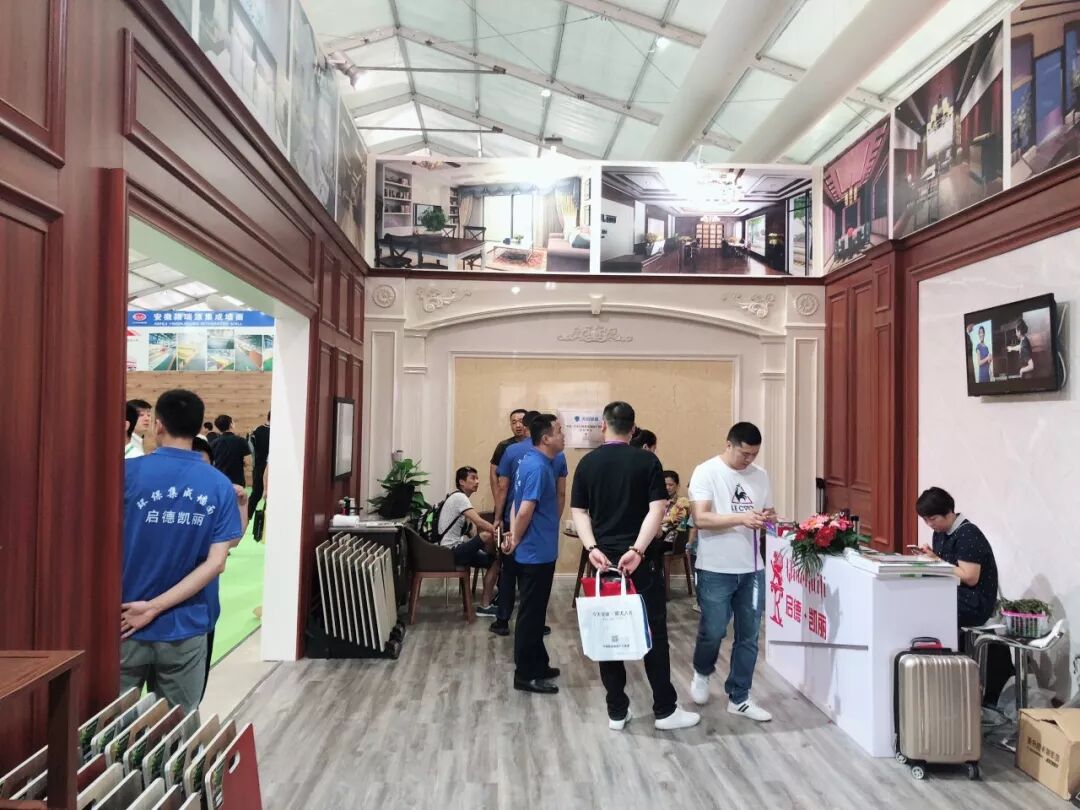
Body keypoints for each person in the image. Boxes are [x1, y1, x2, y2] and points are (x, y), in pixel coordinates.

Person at [571, 401, 700, 731]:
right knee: (654, 633)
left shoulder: (587, 463)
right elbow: (657, 509)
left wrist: (592, 547)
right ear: (633, 428)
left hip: (603, 562)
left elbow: (579, 512)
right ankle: (665, 710)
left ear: (603, 426)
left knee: (607, 632)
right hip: (641, 563)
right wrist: (638, 550)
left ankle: (617, 711)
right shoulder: (647, 461)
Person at [121, 390, 243, 713]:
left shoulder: (126, 474)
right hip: (184, 627)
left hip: (124, 621)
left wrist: (147, 608)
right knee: (178, 732)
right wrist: (155, 608)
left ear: (158, 425)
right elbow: (217, 562)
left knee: (110, 729)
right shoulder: (219, 485)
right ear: (198, 428)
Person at [688, 421, 775, 722]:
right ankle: (702, 671)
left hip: (752, 569)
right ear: (729, 444)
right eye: (744, 454)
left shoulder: (761, 475)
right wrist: (741, 518)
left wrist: (769, 518)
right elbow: (701, 518)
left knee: (749, 635)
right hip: (715, 568)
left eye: (754, 454)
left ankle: (739, 696)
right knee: (713, 630)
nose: (749, 460)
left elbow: (766, 513)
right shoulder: (706, 471)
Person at [915, 487, 1013, 705]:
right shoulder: (941, 533)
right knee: (920, 597)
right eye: (926, 520)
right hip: (956, 592)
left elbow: (969, 577)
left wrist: (936, 562)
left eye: (933, 519)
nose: (930, 524)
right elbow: (949, 565)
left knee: (927, 607)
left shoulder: (968, 534)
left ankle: (946, 676)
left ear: (949, 512)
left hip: (975, 601)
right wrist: (932, 557)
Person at [491, 411, 566, 637]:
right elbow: (560, 494)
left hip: (514, 523)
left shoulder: (515, 453)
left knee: (509, 573)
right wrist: (550, 522)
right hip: (532, 531)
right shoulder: (547, 460)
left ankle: (503, 620)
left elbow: (505, 489)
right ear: (544, 436)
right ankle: (533, 629)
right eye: (559, 431)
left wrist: (499, 519)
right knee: (533, 590)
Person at [506, 414, 564, 695]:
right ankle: (525, 674)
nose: (563, 436)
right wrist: (515, 538)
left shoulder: (530, 461)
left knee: (536, 613)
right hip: (535, 553)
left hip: (536, 550)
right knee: (530, 616)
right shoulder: (539, 467)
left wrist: (513, 536)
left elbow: (516, 505)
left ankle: (539, 664)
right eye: (559, 431)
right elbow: (525, 509)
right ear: (546, 438)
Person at [192, 435, 249, 698]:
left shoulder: (213, 498)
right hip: (148, 618)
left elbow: (232, 541)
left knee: (190, 698)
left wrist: (241, 505)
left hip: (200, 613)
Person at [437, 466, 500, 614]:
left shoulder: (460, 500)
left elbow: (471, 531)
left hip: (456, 550)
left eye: (477, 478)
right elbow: (479, 522)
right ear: (461, 482)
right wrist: (497, 532)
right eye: (473, 478)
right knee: (487, 536)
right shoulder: (460, 498)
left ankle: (485, 606)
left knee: (495, 561)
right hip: (450, 551)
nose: (477, 481)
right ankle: (499, 553)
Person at [489, 408, 527, 504]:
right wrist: (497, 499)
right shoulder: (504, 446)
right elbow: (493, 473)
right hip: (508, 498)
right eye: (514, 422)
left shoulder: (537, 445)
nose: (518, 425)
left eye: (521, 421)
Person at [211, 414, 250, 487]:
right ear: (231, 424)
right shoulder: (241, 441)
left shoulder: (214, 443)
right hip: (237, 482)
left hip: (220, 480)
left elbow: (211, 462)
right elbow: (248, 462)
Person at [248, 411, 271, 520]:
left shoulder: (255, 431)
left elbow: (250, 450)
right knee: (258, 494)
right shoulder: (257, 431)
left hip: (258, 467)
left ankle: (246, 520)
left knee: (256, 495)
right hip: (265, 468)